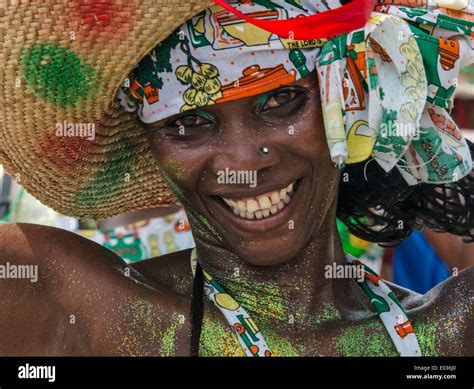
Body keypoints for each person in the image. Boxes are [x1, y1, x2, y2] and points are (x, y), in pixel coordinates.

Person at [0, 0, 472, 357]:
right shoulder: (66, 302)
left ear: (349, 104)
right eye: (188, 123)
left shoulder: (453, 333)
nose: (243, 162)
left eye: (281, 101)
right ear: (153, 143)